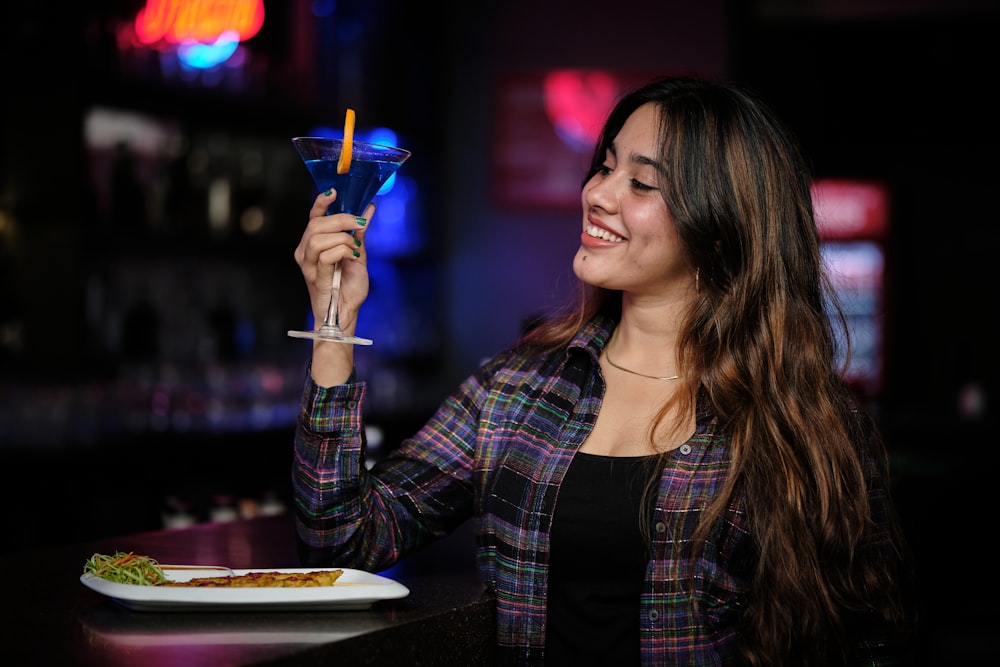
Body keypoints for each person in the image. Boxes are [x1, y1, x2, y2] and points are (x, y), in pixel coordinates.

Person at [290, 76, 915, 666]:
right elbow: (341, 540)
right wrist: (334, 321)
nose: (597, 192)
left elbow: (868, 642)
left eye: (642, 185)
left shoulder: (796, 421)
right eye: (607, 165)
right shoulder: (516, 388)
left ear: (720, 232)